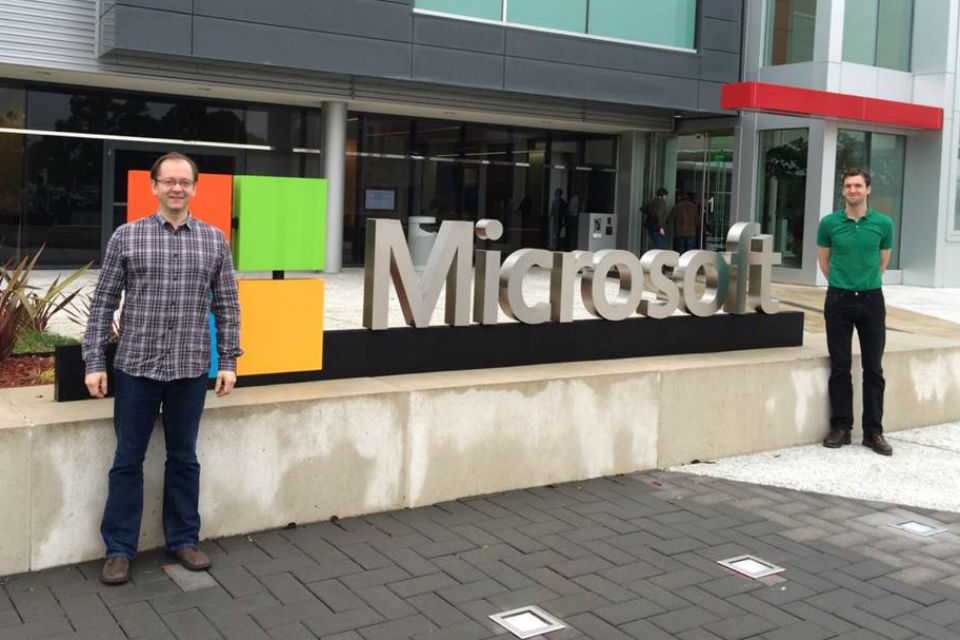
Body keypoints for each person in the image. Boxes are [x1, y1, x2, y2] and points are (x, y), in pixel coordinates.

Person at [82, 152, 242, 584]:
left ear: (194, 187)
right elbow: (103, 303)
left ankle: (184, 539)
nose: (176, 188)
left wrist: (227, 360)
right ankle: (118, 549)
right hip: (135, 368)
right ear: (153, 186)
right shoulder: (126, 238)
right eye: (168, 181)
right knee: (127, 460)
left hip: (190, 369)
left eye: (184, 181)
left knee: (184, 458)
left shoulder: (214, 241)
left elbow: (227, 305)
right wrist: (95, 361)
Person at [817, 169, 894, 455]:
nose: (853, 190)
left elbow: (882, 263)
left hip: (872, 300)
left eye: (858, 186)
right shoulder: (829, 223)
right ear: (843, 191)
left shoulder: (883, 224)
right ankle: (841, 427)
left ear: (868, 190)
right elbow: (824, 261)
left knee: (874, 369)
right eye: (848, 186)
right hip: (838, 300)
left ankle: (873, 432)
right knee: (840, 366)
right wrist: (843, 284)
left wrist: (863, 284)